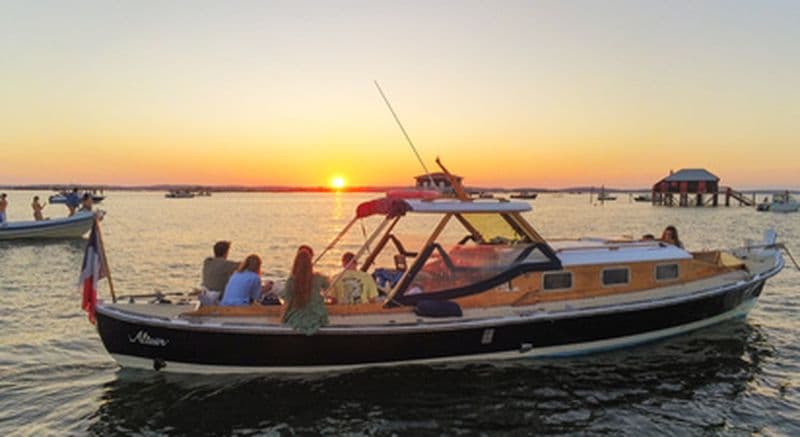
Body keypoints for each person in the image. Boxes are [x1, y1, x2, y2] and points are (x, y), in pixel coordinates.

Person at [281, 246, 330, 335]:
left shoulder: (291, 281)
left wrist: (282, 320)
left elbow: (286, 304)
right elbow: (328, 285)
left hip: (297, 318)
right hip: (317, 317)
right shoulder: (318, 278)